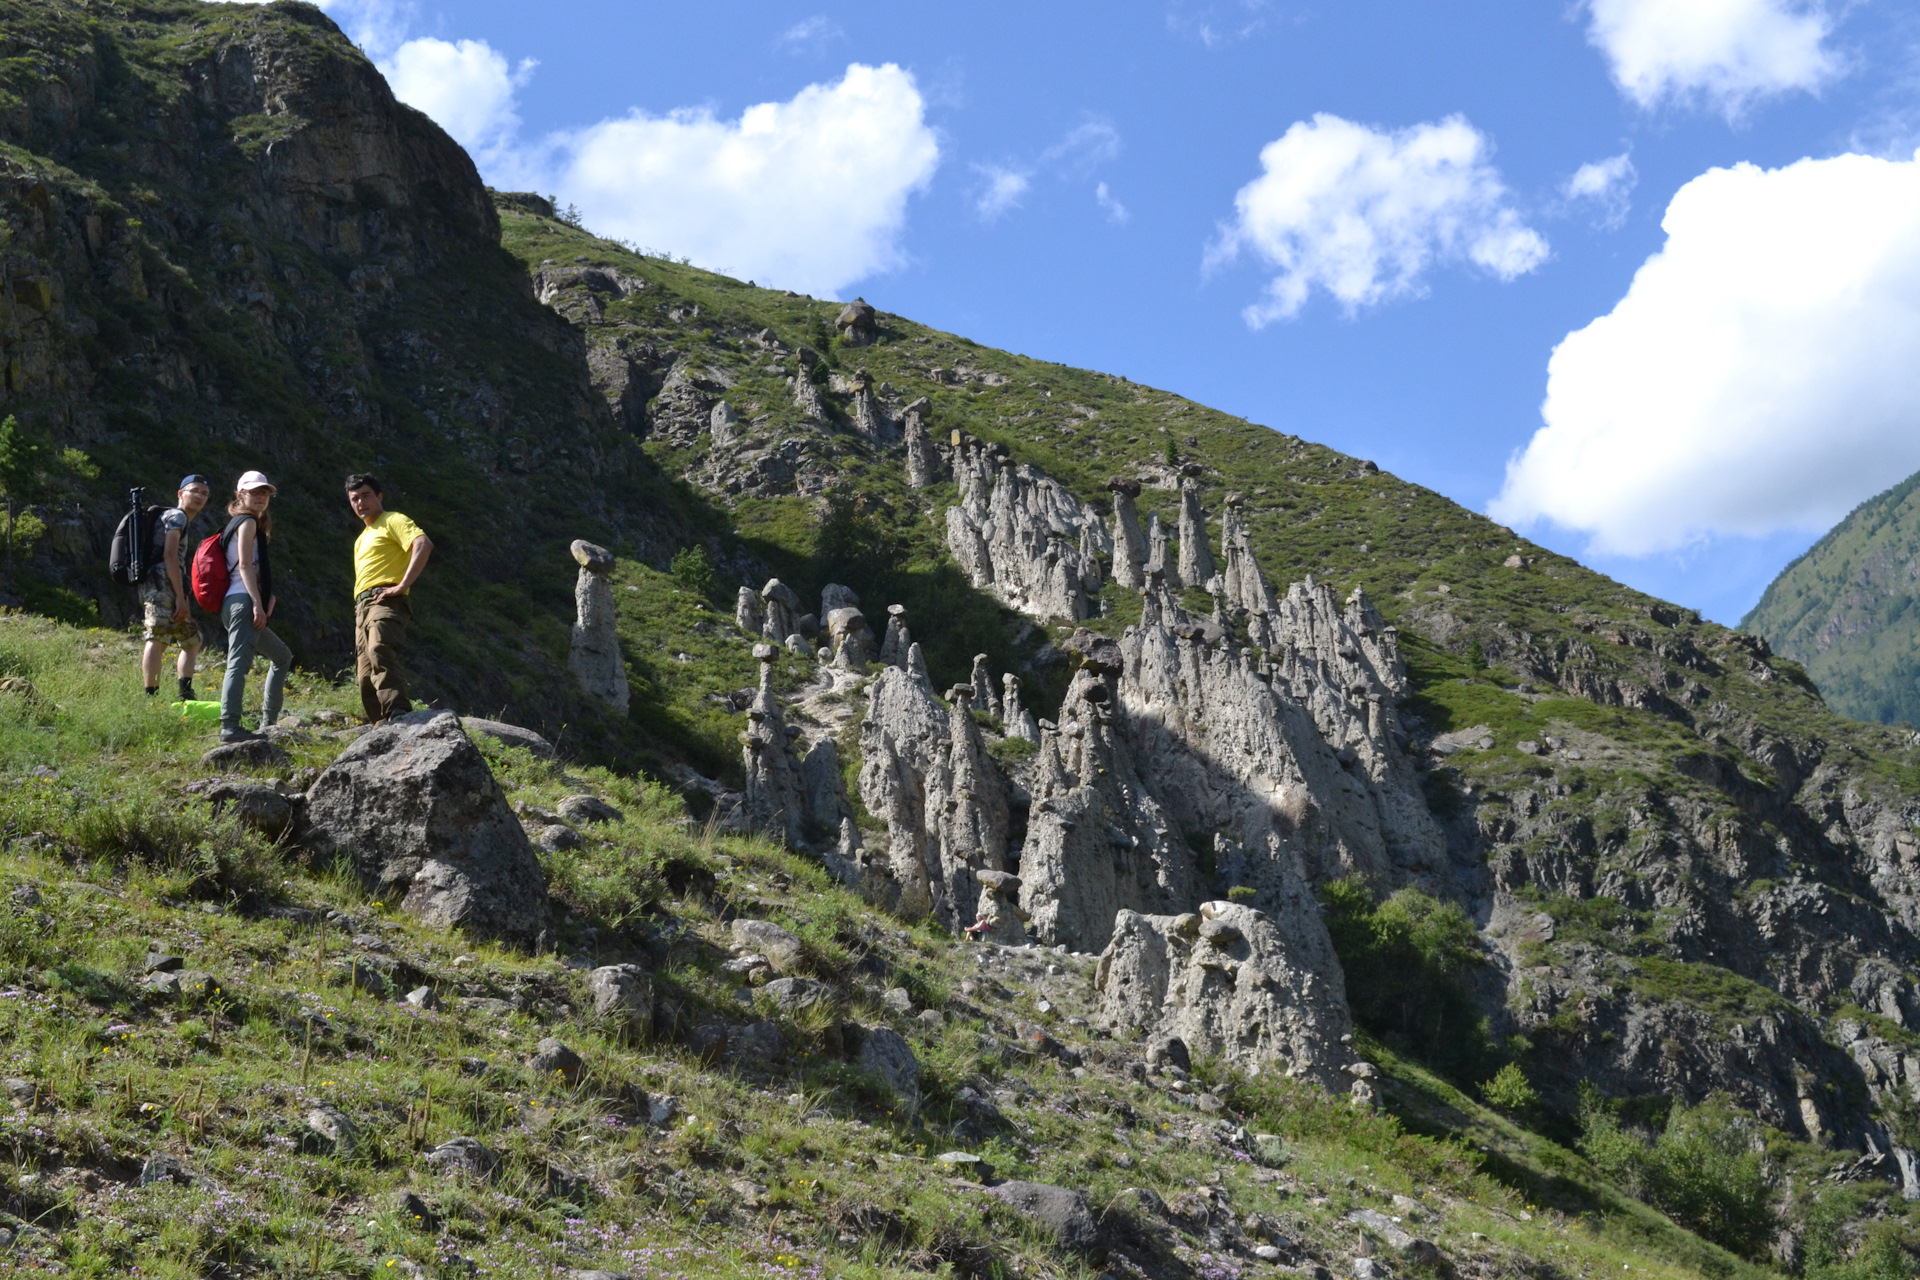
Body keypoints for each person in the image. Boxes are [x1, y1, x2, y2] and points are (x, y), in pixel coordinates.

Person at [345, 473, 432, 724]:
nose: (361, 502)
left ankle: (399, 712)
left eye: (366, 496)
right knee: (364, 674)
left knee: (379, 648)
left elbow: (422, 543)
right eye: (355, 499)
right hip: (362, 605)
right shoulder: (361, 538)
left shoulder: (392, 520)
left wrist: (403, 585)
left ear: (379, 497)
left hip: (386, 598)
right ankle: (381, 724)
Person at [218, 471, 292, 744]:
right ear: (241, 495)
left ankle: (268, 723)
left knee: (282, 656)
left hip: (238, 600)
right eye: (254, 492)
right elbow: (246, 566)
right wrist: (258, 604)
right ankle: (229, 726)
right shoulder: (247, 523)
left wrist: (263, 597)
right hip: (242, 600)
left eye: (265, 493)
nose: (261, 497)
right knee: (238, 661)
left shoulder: (246, 523)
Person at [139, 474, 210, 701]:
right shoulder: (177, 516)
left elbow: (177, 563)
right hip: (160, 584)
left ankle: (185, 696)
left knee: (192, 638)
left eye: (204, 493)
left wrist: (184, 600)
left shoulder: (179, 519)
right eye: (194, 490)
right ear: (181, 494)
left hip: (169, 584)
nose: (199, 496)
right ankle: (152, 700)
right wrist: (179, 596)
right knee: (157, 637)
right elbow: (169, 554)